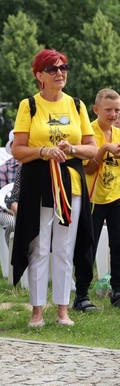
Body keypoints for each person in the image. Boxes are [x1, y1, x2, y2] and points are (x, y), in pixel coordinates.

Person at [10, 49, 97, 327]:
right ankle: (36, 311)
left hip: (70, 184)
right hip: (39, 181)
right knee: (39, 246)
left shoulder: (77, 105)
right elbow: (18, 149)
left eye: (64, 67)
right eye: (53, 69)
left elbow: (92, 149)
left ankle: (62, 310)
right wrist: (45, 150)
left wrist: (71, 147)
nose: (60, 73)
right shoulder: (29, 105)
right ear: (39, 76)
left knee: (64, 247)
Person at [83, 88, 120, 307]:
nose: (113, 115)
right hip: (93, 198)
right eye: (108, 110)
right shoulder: (88, 133)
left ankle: (117, 291)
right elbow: (87, 169)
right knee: (90, 246)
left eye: (117, 110)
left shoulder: (118, 132)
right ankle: (82, 294)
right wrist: (104, 149)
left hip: (116, 196)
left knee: (118, 245)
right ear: (96, 109)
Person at [0, 131, 21, 244]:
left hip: (29, 210)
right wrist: (17, 211)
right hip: (7, 211)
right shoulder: (5, 168)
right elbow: (3, 199)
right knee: (13, 224)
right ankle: (12, 257)